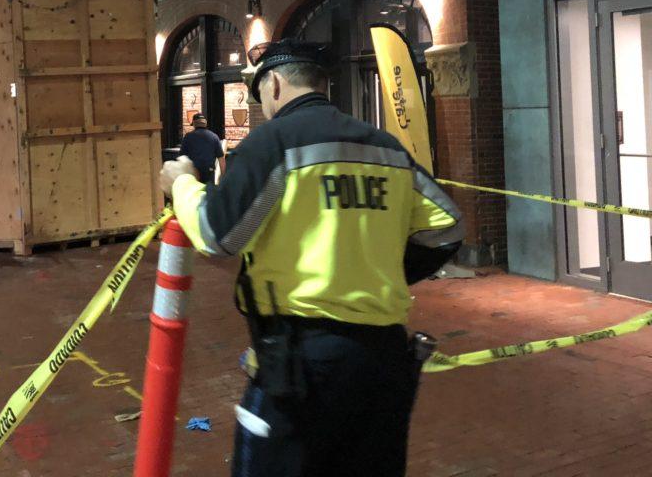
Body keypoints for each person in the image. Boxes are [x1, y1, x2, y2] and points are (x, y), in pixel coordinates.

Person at [159, 39, 463, 477]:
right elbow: (447, 227)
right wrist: (379, 267)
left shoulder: (274, 142)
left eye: (259, 93)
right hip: (383, 362)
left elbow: (217, 235)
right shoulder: (385, 147)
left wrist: (183, 185)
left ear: (276, 84)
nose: (261, 104)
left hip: (302, 366)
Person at [178, 113, 225, 184]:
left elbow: (181, 158)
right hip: (209, 173)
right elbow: (221, 159)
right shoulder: (214, 137)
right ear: (205, 124)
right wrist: (223, 177)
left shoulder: (188, 137)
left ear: (194, 124)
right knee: (208, 194)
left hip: (193, 173)